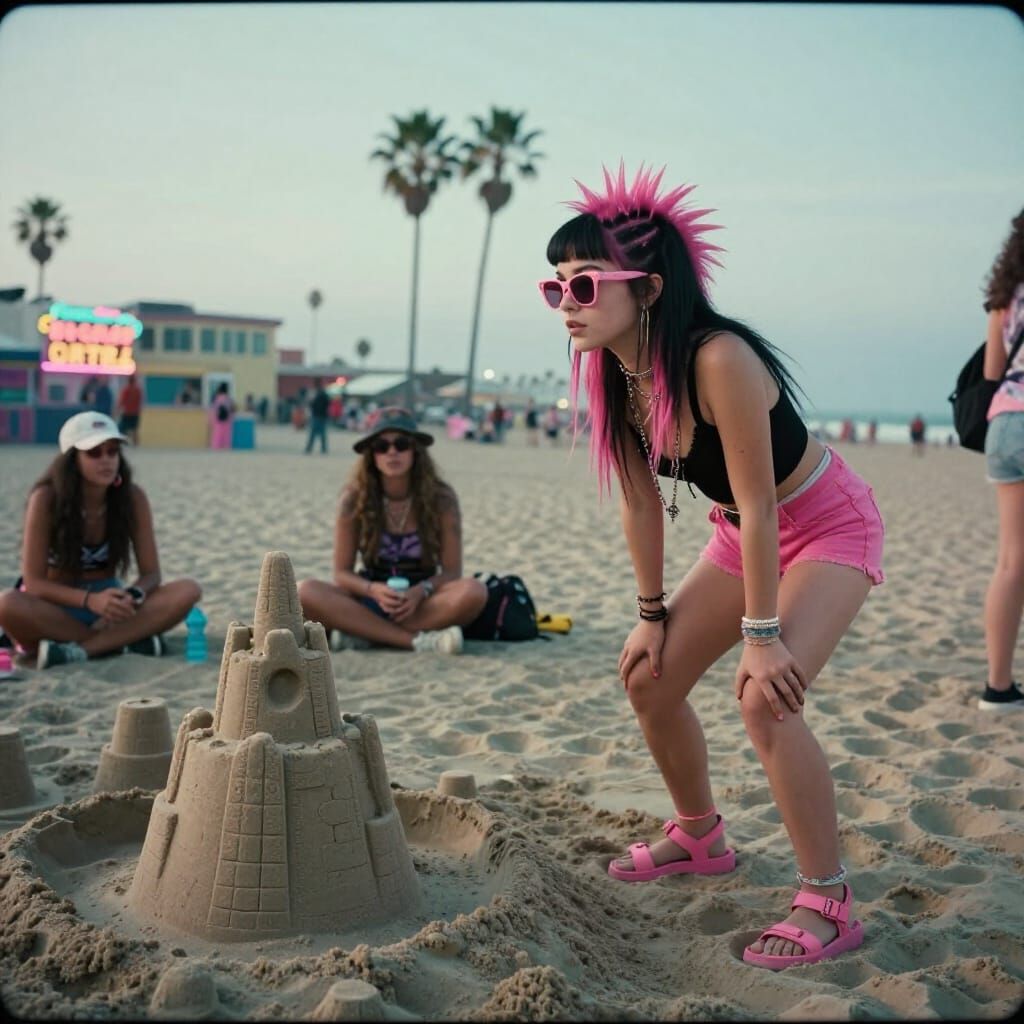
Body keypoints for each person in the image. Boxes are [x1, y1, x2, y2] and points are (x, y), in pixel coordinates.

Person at [538, 164, 884, 969]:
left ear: (648, 288)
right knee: (648, 676)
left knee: (766, 697)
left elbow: (766, 505)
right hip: (740, 535)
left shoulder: (718, 357)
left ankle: (828, 900)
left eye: (585, 286)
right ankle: (699, 836)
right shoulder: (615, 375)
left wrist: (763, 638)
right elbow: (637, 502)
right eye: (556, 288)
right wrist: (651, 612)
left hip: (826, 526)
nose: (567, 306)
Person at [0, 412, 201, 669]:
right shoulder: (46, 499)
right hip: (57, 606)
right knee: (7, 604)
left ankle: (80, 651)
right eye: (94, 453)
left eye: (112, 451)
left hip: (112, 607)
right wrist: (90, 601)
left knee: (188, 590)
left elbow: (151, 574)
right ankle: (121, 643)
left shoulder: (132, 497)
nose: (106, 460)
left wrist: (130, 596)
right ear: (72, 460)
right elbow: (34, 583)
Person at [297, 407, 488, 654]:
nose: (392, 452)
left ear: (415, 451)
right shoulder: (354, 499)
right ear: (371, 455)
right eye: (381, 446)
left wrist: (420, 591)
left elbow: (452, 572)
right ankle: (415, 641)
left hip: (422, 600)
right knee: (304, 592)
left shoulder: (441, 498)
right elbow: (342, 573)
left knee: (474, 592)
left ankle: (365, 633)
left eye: (401, 444)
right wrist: (374, 590)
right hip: (371, 595)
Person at [981, 209, 1024, 711]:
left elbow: (993, 371)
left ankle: (998, 686)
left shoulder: (1002, 300)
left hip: (1006, 422)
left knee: (1012, 561)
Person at [116, 374, 143, 445]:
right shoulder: (138, 390)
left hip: (127, 412)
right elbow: (140, 401)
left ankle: (125, 442)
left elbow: (121, 401)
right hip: (135, 413)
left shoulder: (126, 390)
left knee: (124, 428)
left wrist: (117, 410)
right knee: (135, 429)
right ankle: (136, 444)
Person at [305, 377, 329, 454]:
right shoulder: (323, 393)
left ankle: (309, 448)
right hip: (322, 415)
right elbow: (327, 403)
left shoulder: (317, 393)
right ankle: (323, 448)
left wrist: (312, 403)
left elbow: (312, 404)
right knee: (322, 434)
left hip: (317, 415)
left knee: (313, 433)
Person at [209, 382, 234, 450]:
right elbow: (231, 409)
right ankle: (226, 446)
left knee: (217, 434)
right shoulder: (228, 399)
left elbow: (214, 409)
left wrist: (211, 419)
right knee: (226, 434)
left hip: (218, 420)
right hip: (227, 420)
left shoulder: (217, 398)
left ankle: (216, 446)